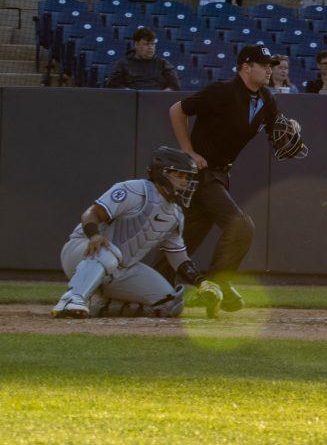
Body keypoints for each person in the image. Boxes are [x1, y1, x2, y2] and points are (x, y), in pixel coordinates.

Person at [168, 44, 308, 316]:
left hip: (220, 174)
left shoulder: (266, 99)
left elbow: (278, 126)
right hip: (202, 173)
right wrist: (188, 152)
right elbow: (177, 109)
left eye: (271, 64)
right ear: (245, 67)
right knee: (241, 226)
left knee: (189, 237)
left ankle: (151, 280)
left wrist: (293, 127)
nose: (270, 69)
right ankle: (216, 284)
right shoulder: (222, 91)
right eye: (264, 64)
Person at [50, 146, 220, 320]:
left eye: (187, 177)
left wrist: (202, 283)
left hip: (121, 268)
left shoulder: (175, 215)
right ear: (162, 173)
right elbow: (92, 213)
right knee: (109, 252)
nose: (185, 182)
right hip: (84, 252)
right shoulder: (135, 189)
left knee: (171, 303)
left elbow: (179, 258)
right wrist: (94, 235)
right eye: (180, 175)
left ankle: (100, 303)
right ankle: (71, 299)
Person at [103, 27, 180, 91]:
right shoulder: (123, 64)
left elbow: (174, 85)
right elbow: (112, 85)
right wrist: (129, 93)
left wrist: (163, 94)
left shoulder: (163, 64)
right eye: (146, 44)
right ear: (136, 44)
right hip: (131, 102)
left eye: (153, 44)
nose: (150, 48)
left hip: (157, 101)